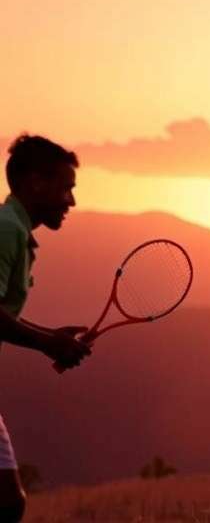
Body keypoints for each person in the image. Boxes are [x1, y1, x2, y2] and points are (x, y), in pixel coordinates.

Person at [0, 135, 93, 522]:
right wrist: (46, 343)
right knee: (7, 503)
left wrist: (50, 337)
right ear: (35, 182)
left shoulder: (14, 230)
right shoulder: (7, 230)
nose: (70, 201)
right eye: (65, 188)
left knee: (8, 503)